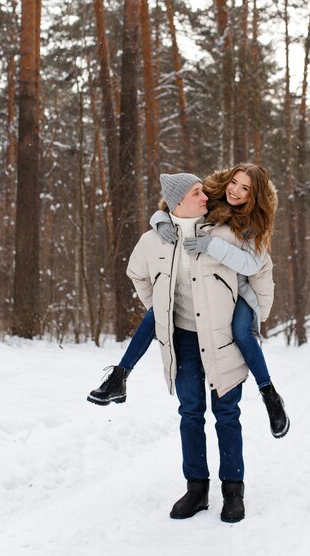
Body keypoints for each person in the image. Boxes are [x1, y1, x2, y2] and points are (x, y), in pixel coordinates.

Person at [87, 164, 289, 440]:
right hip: (205, 285)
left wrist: (210, 246)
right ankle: (120, 376)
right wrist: (160, 222)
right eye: (235, 183)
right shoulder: (212, 194)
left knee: (242, 331)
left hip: (239, 291)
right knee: (159, 310)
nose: (236, 191)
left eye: (245, 189)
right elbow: (174, 206)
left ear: (254, 197)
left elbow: (252, 265)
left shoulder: (255, 220)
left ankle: (270, 394)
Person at [125, 171, 272, 522]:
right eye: (197, 193)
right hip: (185, 337)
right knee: (190, 413)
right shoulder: (169, 229)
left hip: (222, 333)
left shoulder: (229, 228)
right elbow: (142, 269)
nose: (209, 197)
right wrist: (163, 309)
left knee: (227, 413)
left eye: (244, 188)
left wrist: (252, 309)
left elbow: (257, 266)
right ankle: (196, 489)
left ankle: (233, 489)